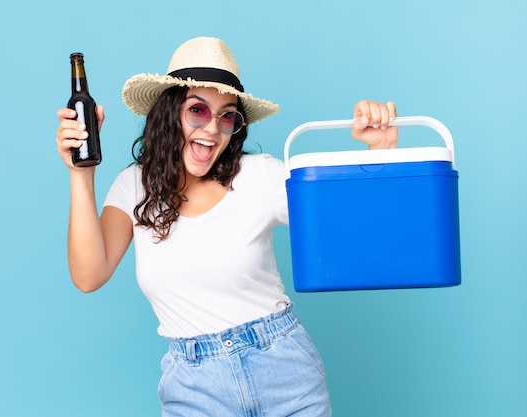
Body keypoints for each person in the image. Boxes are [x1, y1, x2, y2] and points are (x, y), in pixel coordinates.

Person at [55, 37, 398, 417]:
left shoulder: (259, 176)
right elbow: (89, 275)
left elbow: (353, 231)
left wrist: (380, 154)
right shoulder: (134, 186)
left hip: (284, 371)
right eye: (198, 110)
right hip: (194, 387)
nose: (212, 129)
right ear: (171, 113)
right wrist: (81, 175)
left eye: (227, 116)